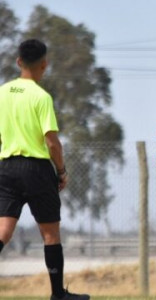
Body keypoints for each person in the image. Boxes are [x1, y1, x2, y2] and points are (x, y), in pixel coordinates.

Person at [0, 39, 90, 300]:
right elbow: (52, 142)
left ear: (18, 62)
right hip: (36, 169)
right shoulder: (41, 97)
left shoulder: (2, 92)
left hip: (6, 167)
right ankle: (57, 295)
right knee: (50, 234)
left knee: (3, 232)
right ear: (44, 65)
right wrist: (61, 171)